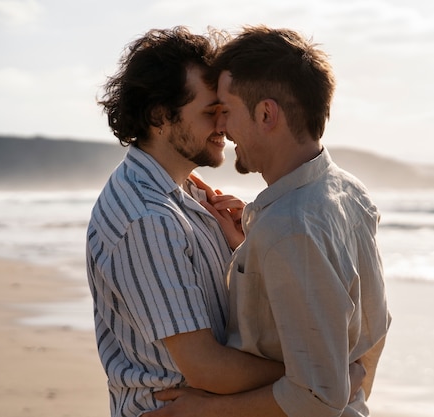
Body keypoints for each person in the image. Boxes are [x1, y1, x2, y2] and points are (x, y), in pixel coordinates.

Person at [147, 26, 391, 417]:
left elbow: (315, 397)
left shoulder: (288, 229)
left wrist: (206, 410)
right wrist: (250, 250)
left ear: (265, 114)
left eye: (225, 110)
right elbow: (371, 335)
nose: (221, 129)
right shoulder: (350, 192)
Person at [86, 26, 285, 417]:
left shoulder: (186, 193)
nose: (224, 127)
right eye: (212, 113)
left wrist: (245, 249)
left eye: (225, 111)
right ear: (161, 116)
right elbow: (209, 369)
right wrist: (314, 376)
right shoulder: (147, 220)